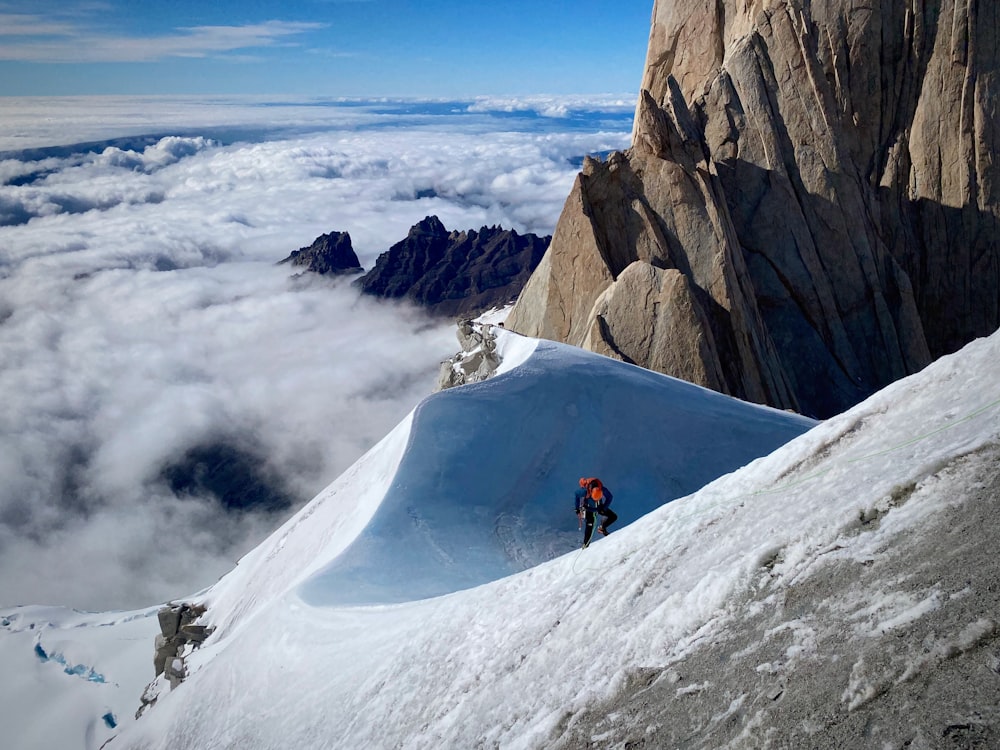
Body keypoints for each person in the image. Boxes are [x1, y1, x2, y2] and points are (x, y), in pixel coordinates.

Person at [575, 477, 617, 548]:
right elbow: (576, 494)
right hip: (589, 509)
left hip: (599, 508)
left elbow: (610, 497)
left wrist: (604, 508)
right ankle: (586, 544)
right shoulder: (585, 491)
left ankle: (602, 527)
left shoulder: (602, 489)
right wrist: (577, 508)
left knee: (613, 517)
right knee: (590, 525)